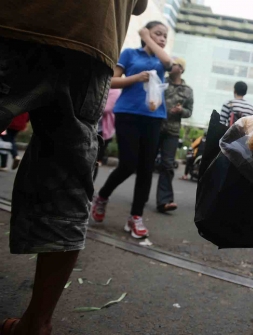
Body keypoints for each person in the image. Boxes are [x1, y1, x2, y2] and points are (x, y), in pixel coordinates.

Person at [0, 0, 148, 333]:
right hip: (94, 40)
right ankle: (37, 323)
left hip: (18, 21)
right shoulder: (135, 57)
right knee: (67, 182)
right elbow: (138, 6)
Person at [92, 21, 173, 239]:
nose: (163, 39)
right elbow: (112, 81)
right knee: (128, 164)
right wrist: (136, 78)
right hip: (128, 114)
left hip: (154, 117)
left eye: (165, 36)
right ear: (146, 33)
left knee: (146, 169)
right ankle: (102, 196)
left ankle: (135, 216)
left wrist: (148, 38)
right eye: (158, 34)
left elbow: (167, 61)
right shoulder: (129, 54)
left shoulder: (160, 59)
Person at [156, 57, 193, 212]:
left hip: (172, 131)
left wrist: (181, 111)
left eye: (174, 64)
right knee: (145, 163)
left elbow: (189, 112)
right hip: (155, 127)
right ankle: (140, 198)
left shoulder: (188, 90)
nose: (171, 66)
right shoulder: (160, 82)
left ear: (181, 69)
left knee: (167, 165)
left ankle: (164, 201)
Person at [93, 88, 121, 181]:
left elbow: (106, 109)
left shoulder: (115, 91)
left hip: (102, 132)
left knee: (94, 161)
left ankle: (88, 188)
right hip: (90, 128)